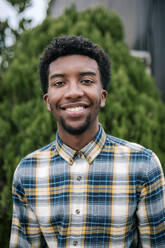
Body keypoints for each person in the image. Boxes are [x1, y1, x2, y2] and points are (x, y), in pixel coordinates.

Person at [10, 36, 165, 247]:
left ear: (102, 96)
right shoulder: (27, 171)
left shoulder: (143, 165)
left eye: (87, 81)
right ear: (48, 100)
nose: (73, 92)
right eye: (59, 83)